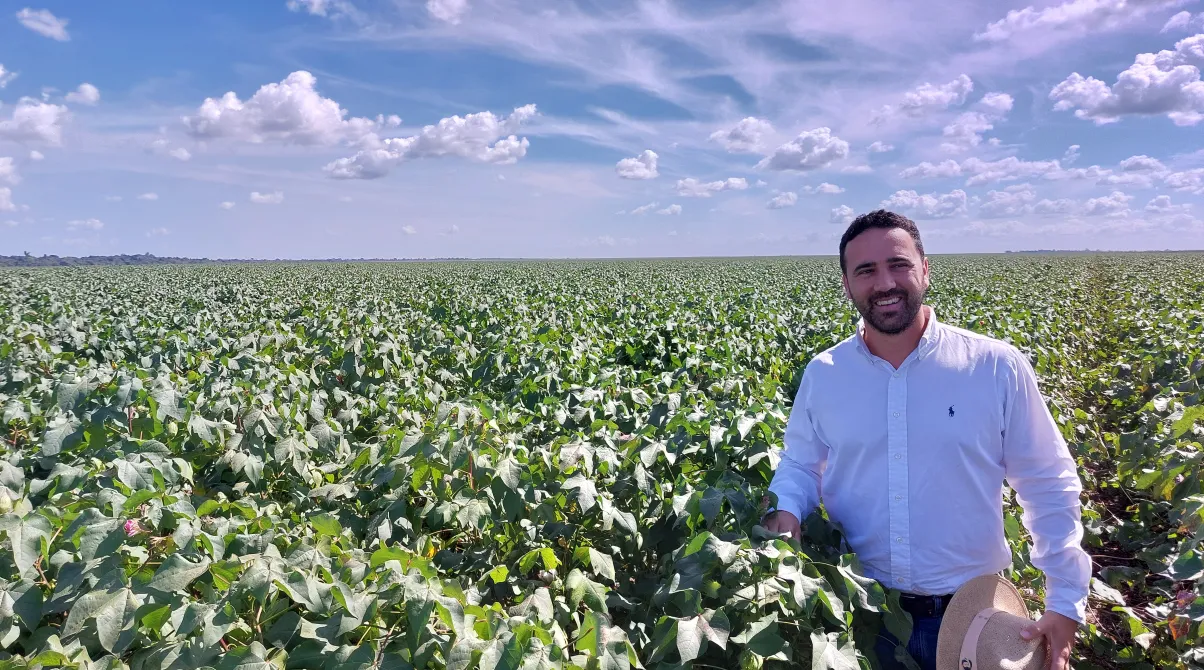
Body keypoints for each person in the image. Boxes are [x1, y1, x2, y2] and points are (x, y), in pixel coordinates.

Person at [762, 210, 1091, 670]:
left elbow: (1047, 480)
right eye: (866, 271)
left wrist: (1065, 599)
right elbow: (800, 463)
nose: (885, 283)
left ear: (925, 270)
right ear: (847, 285)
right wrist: (786, 507)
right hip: (861, 615)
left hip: (973, 619)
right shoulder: (824, 375)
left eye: (898, 264)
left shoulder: (994, 367)